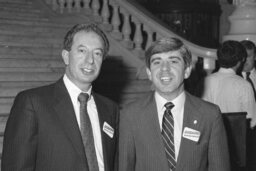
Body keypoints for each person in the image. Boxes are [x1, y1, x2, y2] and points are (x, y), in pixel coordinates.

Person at [1, 23, 119, 171]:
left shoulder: (110, 109)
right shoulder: (32, 103)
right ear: (66, 56)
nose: (90, 60)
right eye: (82, 51)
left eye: (97, 53)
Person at [118, 37, 230, 171]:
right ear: (149, 72)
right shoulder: (130, 115)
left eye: (173, 61)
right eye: (157, 62)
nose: (165, 68)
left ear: (187, 70)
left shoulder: (210, 115)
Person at [202, 40, 256, 128]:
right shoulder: (243, 85)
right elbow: (252, 121)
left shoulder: (205, 81)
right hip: (237, 138)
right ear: (240, 60)